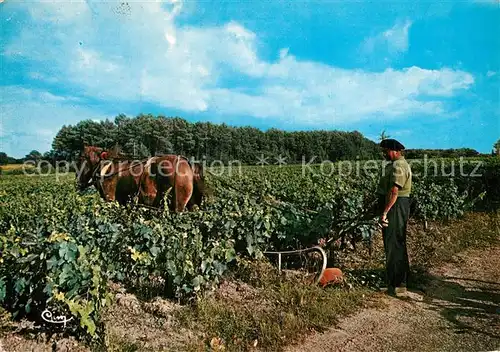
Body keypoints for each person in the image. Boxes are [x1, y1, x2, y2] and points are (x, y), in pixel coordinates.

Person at [376, 138, 412, 296]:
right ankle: (394, 283)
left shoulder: (399, 165)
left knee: (395, 243)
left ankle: (399, 285)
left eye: (386, 151)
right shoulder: (395, 164)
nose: (384, 154)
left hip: (396, 206)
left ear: (395, 151)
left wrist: (385, 212)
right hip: (395, 205)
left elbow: (394, 192)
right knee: (392, 244)